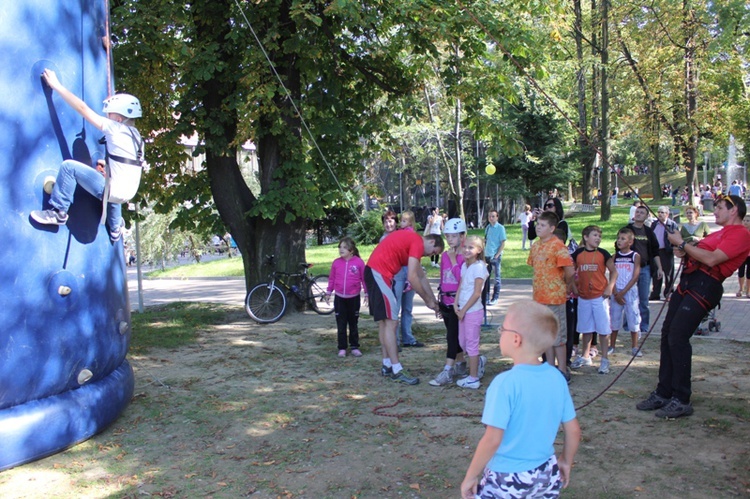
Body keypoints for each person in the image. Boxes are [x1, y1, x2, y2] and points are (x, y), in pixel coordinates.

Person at [637, 195, 750, 418]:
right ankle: (664, 391)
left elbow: (712, 259)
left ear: (734, 210)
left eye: (719, 207)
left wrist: (683, 244)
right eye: (715, 207)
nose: (715, 211)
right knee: (668, 333)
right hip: (689, 281)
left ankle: (681, 398)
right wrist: (684, 249)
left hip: (706, 284)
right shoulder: (719, 233)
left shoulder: (742, 234)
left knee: (678, 336)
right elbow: (696, 252)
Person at [460, 301, 580, 499]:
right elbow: (573, 429)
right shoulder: (557, 377)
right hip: (546, 472)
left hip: (507, 477)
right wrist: (566, 460)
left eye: (503, 328)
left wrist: (471, 476)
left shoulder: (504, 384)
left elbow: (492, 439)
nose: (500, 333)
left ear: (516, 339)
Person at [30, 69, 144, 242]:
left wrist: (57, 86)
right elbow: (126, 164)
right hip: (128, 193)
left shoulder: (115, 128)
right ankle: (115, 229)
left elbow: (82, 108)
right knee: (111, 183)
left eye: (110, 114)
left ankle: (58, 212)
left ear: (119, 119)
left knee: (69, 167)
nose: (107, 116)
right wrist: (107, 167)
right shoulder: (137, 138)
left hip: (112, 191)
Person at [365, 230, 443, 385]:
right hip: (379, 273)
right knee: (392, 322)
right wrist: (427, 300)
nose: (429, 256)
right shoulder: (417, 242)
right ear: (432, 242)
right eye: (433, 252)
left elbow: (421, 276)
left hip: (376, 272)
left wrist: (434, 301)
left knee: (385, 321)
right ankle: (397, 369)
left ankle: (387, 365)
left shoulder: (413, 241)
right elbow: (412, 277)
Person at [527, 211, 577, 380]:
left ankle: (562, 370)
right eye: (537, 225)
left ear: (552, 228)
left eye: (542, 225)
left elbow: (570, 270)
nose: (538, 228)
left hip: (554, 298)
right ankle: (549, 366)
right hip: (539, 297)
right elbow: (534, 266)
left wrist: (565, 285)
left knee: (558, 335)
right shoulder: (535, 246)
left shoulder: (558, 246)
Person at [570, 226, 617, 374]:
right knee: (586, 328)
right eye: (594, 235)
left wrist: (610, 287)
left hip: (599, 296)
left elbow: (614, 271)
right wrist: (573, 286)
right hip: (584, 297)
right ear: (585, 237)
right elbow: (570, 271)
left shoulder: (603, 253)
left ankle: (604, 360)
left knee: (603, 329)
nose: (598, 238)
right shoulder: (578, 254)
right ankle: (585, 356)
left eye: (599, 236)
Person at [429, 218, 468, 386]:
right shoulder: (444, 255)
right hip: (445, 299)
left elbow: (463, 278)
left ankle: (448, 370)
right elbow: (443, 277)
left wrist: (454, 260)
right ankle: (460, 362)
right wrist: (439, 299)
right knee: (454, 336)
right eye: (447, 236)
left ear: (462, 236)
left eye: (453, 236)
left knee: (451, 336)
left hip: (457, 302)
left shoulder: (465, 256)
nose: (449, 240)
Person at [454, 235, 489, 389]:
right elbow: (461, 285)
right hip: (462, 310)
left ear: (479, 250)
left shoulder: (479, 267)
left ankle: (473, 377)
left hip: (472, 311)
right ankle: (478, 361)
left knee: (471, 344)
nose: (467, 250)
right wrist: (456, 304)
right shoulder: (465, 265)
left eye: (471, 247)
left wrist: (465, 310)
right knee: (462, 342)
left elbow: (476, 293)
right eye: (465, 247)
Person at [326, 237, 367, 358]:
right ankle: (342, 347)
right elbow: (332, 279)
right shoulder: (336, 263)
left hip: (353, 298)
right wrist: (328, 292)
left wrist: (367, 293)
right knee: (341, 323)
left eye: (344, 247)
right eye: (340, 247)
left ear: (351, 250)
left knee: (353, 322)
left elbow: (364, 279)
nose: (341, 249)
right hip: (339, 298)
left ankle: (354, 346)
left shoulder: (359, 262)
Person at [625, 205, 662, 335]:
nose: (639, 214)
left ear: (646, 216)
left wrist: (659, 268)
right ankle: (627, 325)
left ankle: (644, 325)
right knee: (629, 298)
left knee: (643, 299)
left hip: (645, 268)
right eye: (637, 212)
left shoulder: (648, 232)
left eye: (642, 213)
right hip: (629, 268)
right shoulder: (627, 230)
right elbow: (619, 247)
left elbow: (655, 251)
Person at [608, 228, 642, 357]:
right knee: (614, 318)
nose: (619, 241)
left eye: (623, 239)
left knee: (633, 317)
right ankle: (612, 345)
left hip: (629, 291)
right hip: (616, 292)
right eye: (618, 238)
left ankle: (635, 346)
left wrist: (623, 292)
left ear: (630, 241)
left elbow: (635, 276)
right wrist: (616, 292)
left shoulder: (635, 256)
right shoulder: (614, 257)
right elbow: (612, 275)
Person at [394, 210, 423, 348]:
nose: (402, 223)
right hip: (400, 271)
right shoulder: (399, 235)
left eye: (405, 221)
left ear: (411, 222)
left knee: (407, 307)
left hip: (409, 269)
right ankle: (395, 339)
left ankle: (407, 337)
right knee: (397, 306)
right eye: (401, 221)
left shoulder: (413, 236)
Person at [650, 206, 679, 300]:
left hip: (666, 251)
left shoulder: (672, 224)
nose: (660, 214)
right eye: (658, 212)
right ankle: (655, 293)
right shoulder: (654, 224)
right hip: (656, 252)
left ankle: (668, 293)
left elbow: (676, 237)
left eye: (662, 212)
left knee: (668, 273)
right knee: (656, 273)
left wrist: (672, 248)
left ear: (667, 214)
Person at [484, 210, 507, 305]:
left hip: (495, 256)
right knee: (486, 278)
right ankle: (486, 297)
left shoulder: (500, 228)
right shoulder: (488, 227)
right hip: (486, 256)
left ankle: (495, 297)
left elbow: (503, 243)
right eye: (489, 216)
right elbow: (485, 240)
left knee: (496, 278)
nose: (491, 218)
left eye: (493, 216)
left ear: (497, 217)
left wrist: (497, 255)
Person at [737, 213, 750, 298]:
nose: (745, 222)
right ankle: (741, 289)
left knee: (749, 274)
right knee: (740, 273)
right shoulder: (739, 231)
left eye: (748, 221)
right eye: (744, 220)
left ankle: (748, 290)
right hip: (741, 255)